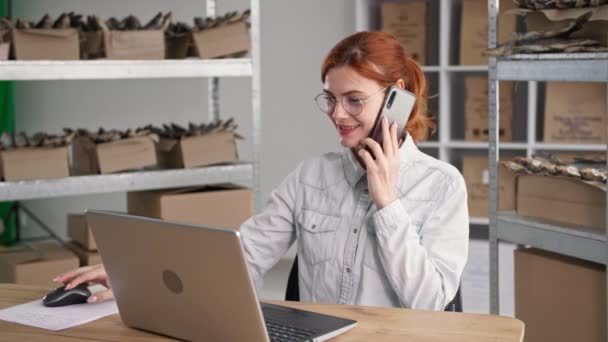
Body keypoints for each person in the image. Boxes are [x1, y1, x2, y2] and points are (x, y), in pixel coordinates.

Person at [54, 31, 469, 311]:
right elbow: (241, 256)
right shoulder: (310, 177)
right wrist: (132, 272)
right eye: (330, 99)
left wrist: (387, 203)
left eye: (354, 100)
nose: (337, 114)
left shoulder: (442, 186)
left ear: (397, 96)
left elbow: (430, 302)